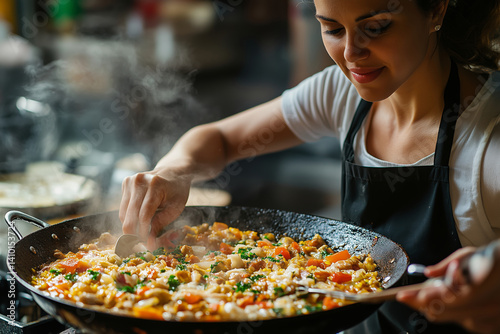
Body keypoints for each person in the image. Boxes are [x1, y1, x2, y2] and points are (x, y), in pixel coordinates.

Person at [119, 0, 500, 333]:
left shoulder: (489, 138)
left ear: (436, 8)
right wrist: (174, 170)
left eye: (376, 27)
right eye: (332, 28)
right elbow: (220, 140)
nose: (351, 53)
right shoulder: (341, 91)